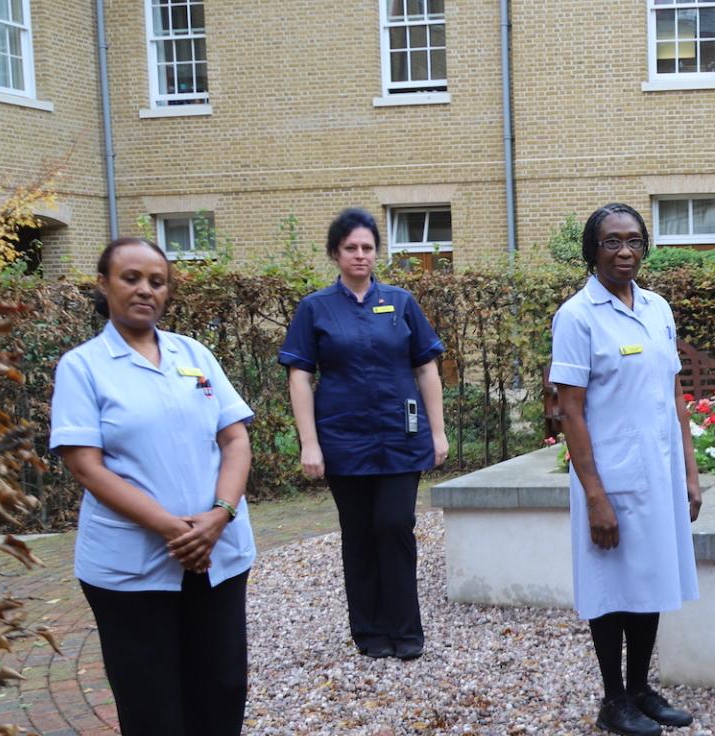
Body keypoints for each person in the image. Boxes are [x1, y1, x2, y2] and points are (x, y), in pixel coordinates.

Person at [50, 237, 256, 735]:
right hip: (131, 571)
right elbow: (86, 466)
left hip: (217, 556)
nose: (146, 290)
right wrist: (173, 529)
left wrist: (218, 515)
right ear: (104, 285)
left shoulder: (195, 354)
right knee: (152, 707)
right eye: (131, 278)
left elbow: (234, 438)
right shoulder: (83, 367)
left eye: (157, 281)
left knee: (222, 690)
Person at [549, 203, 703, 736]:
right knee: (612, 585)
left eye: (634, 241)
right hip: (609, 478)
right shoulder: (576, 316)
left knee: (651, 577)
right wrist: (595, 495)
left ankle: (641, 688)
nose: (625, 252)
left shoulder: (658, 308)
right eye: (612, 242)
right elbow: (570, 410)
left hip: (658, 475)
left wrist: (689, 471)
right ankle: (613, 700)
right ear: (592, 249)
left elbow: (674, 393)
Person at [280, 208, 447, 661]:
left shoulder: (401, 302)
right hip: (343, 440)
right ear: (335, 253)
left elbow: (426, 366)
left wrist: (439, 432)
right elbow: (299, 377)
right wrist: (309, 443)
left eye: (368, 248)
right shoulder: (315, 308)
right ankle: (370, 633)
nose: (360, 255)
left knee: (394, 525)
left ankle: (406, 629)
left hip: (400, 436)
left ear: (377, 253)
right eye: (351, 248)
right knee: (358, 534)